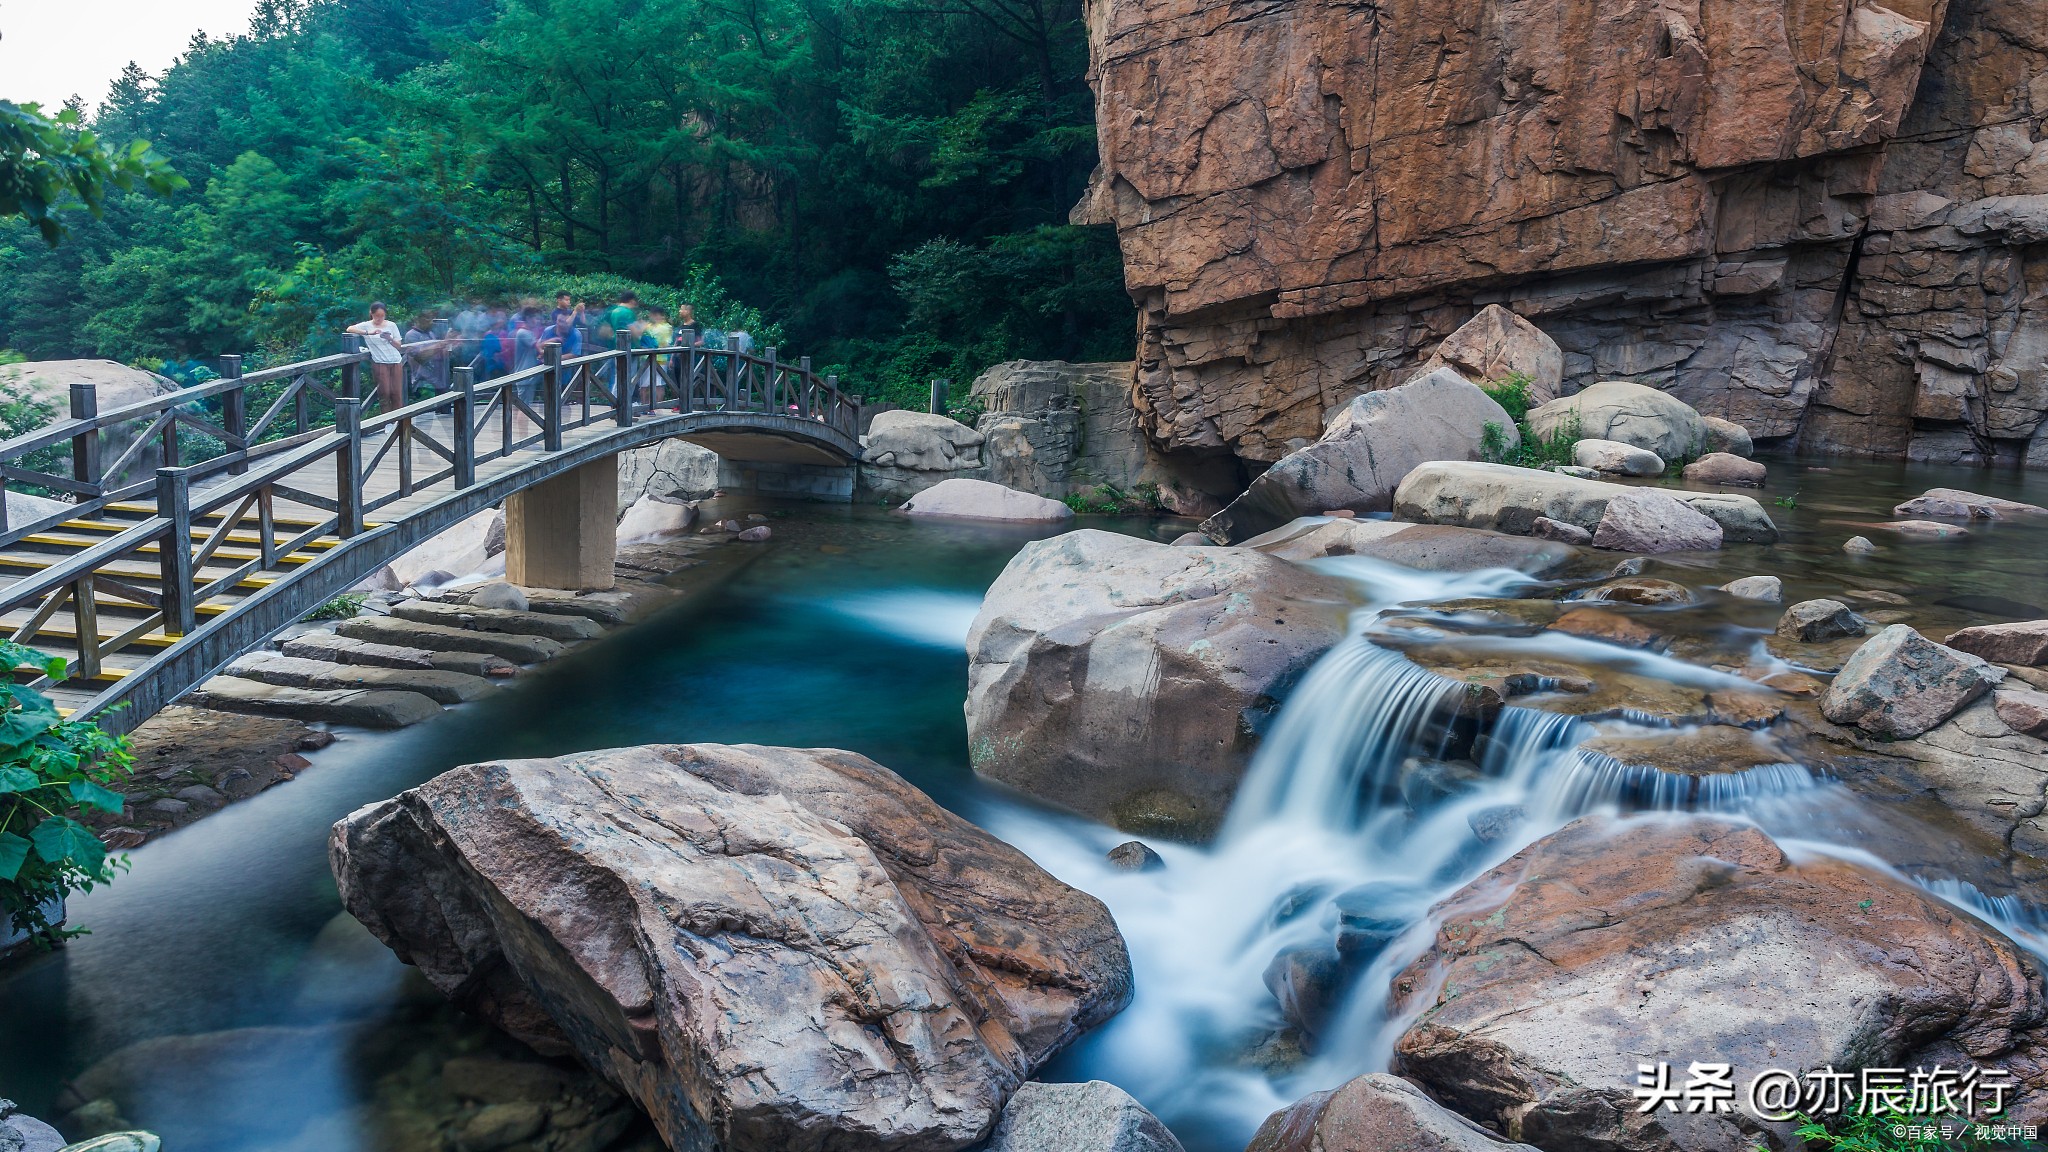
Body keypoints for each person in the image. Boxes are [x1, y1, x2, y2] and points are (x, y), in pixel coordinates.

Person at [346, 302, 405, 411]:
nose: (380, 318)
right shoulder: (367, 325)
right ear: (371, 314)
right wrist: (368, 333)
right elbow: (349, 329)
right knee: (384, 393)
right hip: (380, 362)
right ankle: (387, 419)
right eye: (377, 315)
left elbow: (399, 346)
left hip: (396, 361)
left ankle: (398, 418)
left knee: (396, 393)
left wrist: (389, 338)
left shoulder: (391, 325)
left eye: (382, 315)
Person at [402, 313, 448, 396]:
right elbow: (420, 357)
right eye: (428, 319)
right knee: (428, 403)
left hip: (438, 381)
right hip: (423, 383)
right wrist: (439, 345)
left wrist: (451, 344)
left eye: (431, 319)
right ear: (418, 320)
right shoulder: (411, 335)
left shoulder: (431, 333)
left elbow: (440, 354)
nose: (431, 322)